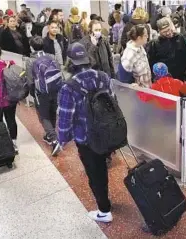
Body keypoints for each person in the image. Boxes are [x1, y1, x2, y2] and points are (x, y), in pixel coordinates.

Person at [58, 42, 114, 223]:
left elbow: (66, 116)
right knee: (102, 168)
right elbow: (112, 102)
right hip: (105, 132)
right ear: (87, 60)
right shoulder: (103, 77)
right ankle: (106, 201)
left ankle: (104, 211)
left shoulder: (69, 87)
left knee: (94, 173)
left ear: (70, 62)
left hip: (85, 137)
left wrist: (62, 138)